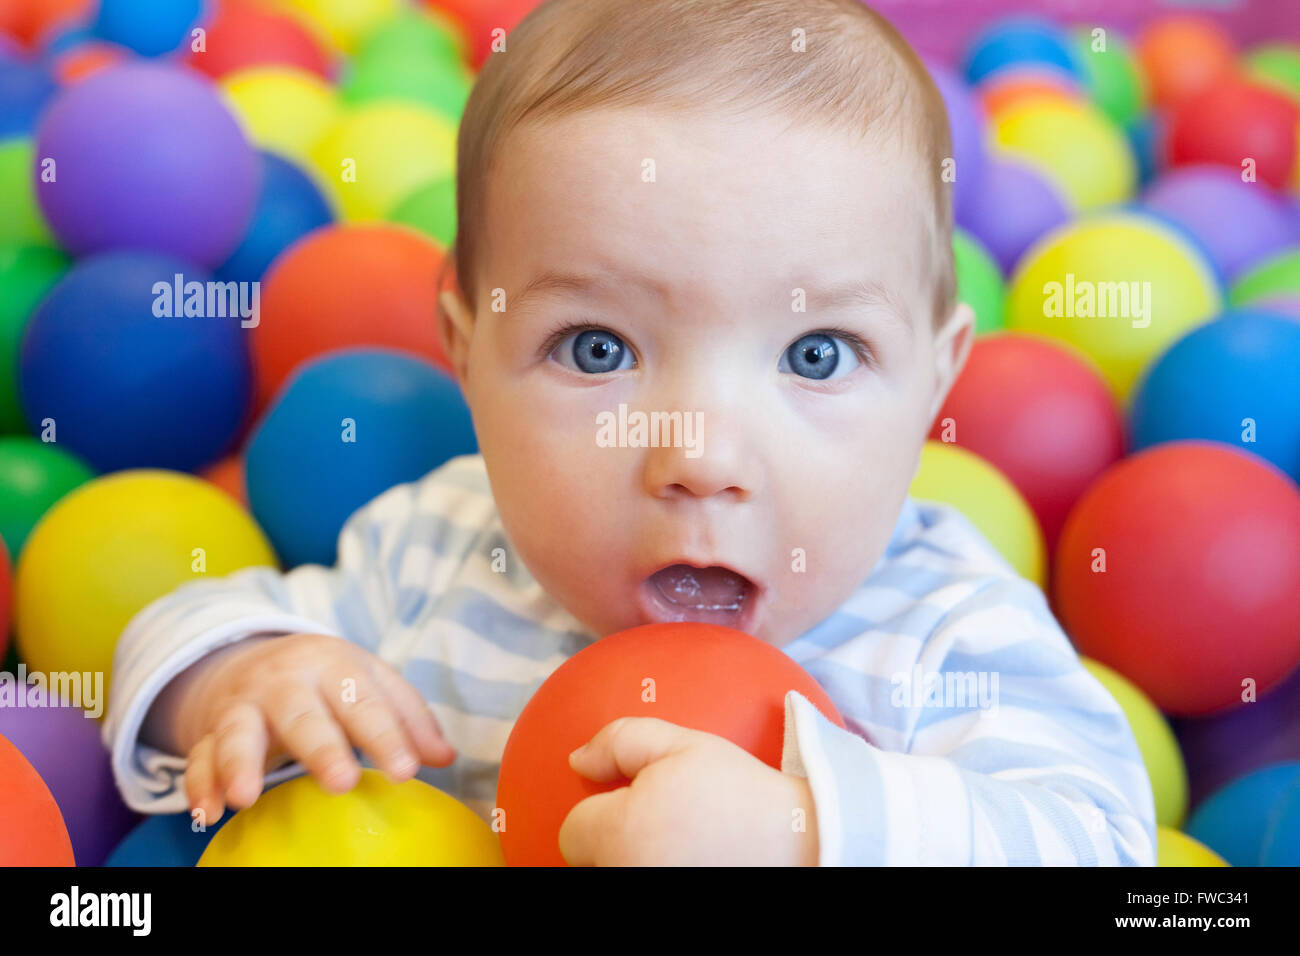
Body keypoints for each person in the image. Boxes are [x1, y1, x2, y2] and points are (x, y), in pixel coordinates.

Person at [103, 0, 1156, 865]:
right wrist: (237, 680)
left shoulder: (945, 626)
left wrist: (808, 831)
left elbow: (1106, 846)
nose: (698, 455)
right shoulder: (439, 553)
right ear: (465, 352)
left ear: (936, 380)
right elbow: (175, 636)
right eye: (598, 349)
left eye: (816, 354)